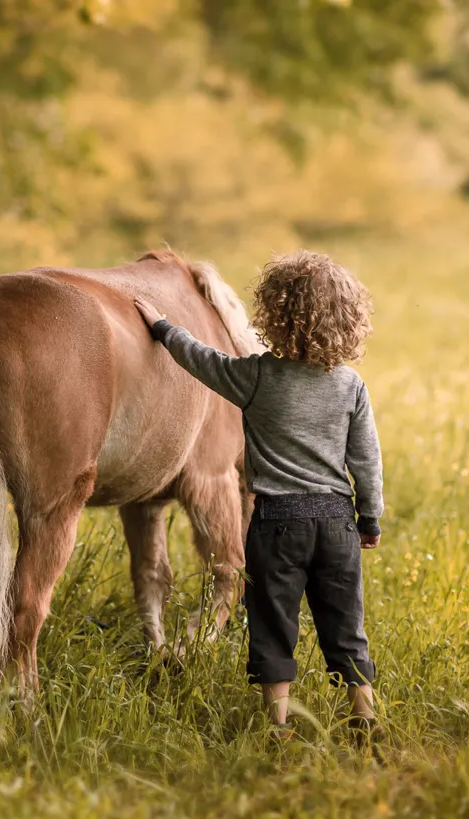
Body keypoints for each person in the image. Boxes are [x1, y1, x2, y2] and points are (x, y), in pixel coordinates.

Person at [132, 250, 384, 742]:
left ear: (273, 315)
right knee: (345, 622)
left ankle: (279, 725)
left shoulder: (257, 376)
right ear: (349, 320)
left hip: (275, 523)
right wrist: (369, 518)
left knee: (271, 622)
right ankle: (364, 715)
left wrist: (161, 326)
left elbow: (199, 359)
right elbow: (366, 462)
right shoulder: (352, 386)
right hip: (336, 523)